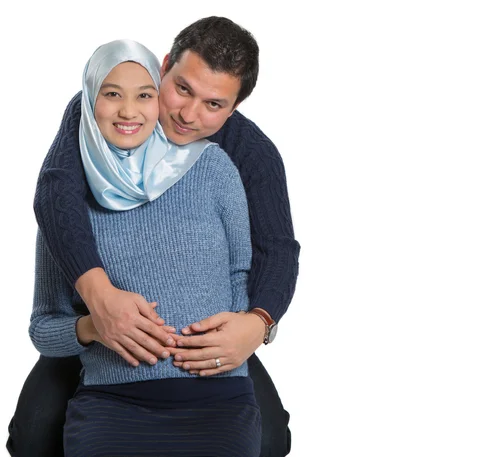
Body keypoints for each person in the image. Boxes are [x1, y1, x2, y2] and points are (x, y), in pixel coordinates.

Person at [7, 17, 299, 457]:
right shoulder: (101, 116)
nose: (189, 114)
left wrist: (257, 324)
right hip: (104, 344)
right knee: (32, 435)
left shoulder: (242, 156)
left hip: (197, 354)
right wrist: (99, 300)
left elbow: (276, 249)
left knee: (270, 439)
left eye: (214, 104)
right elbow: (54, 192)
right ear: (164, 67)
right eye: (182, 89)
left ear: (234, 108)